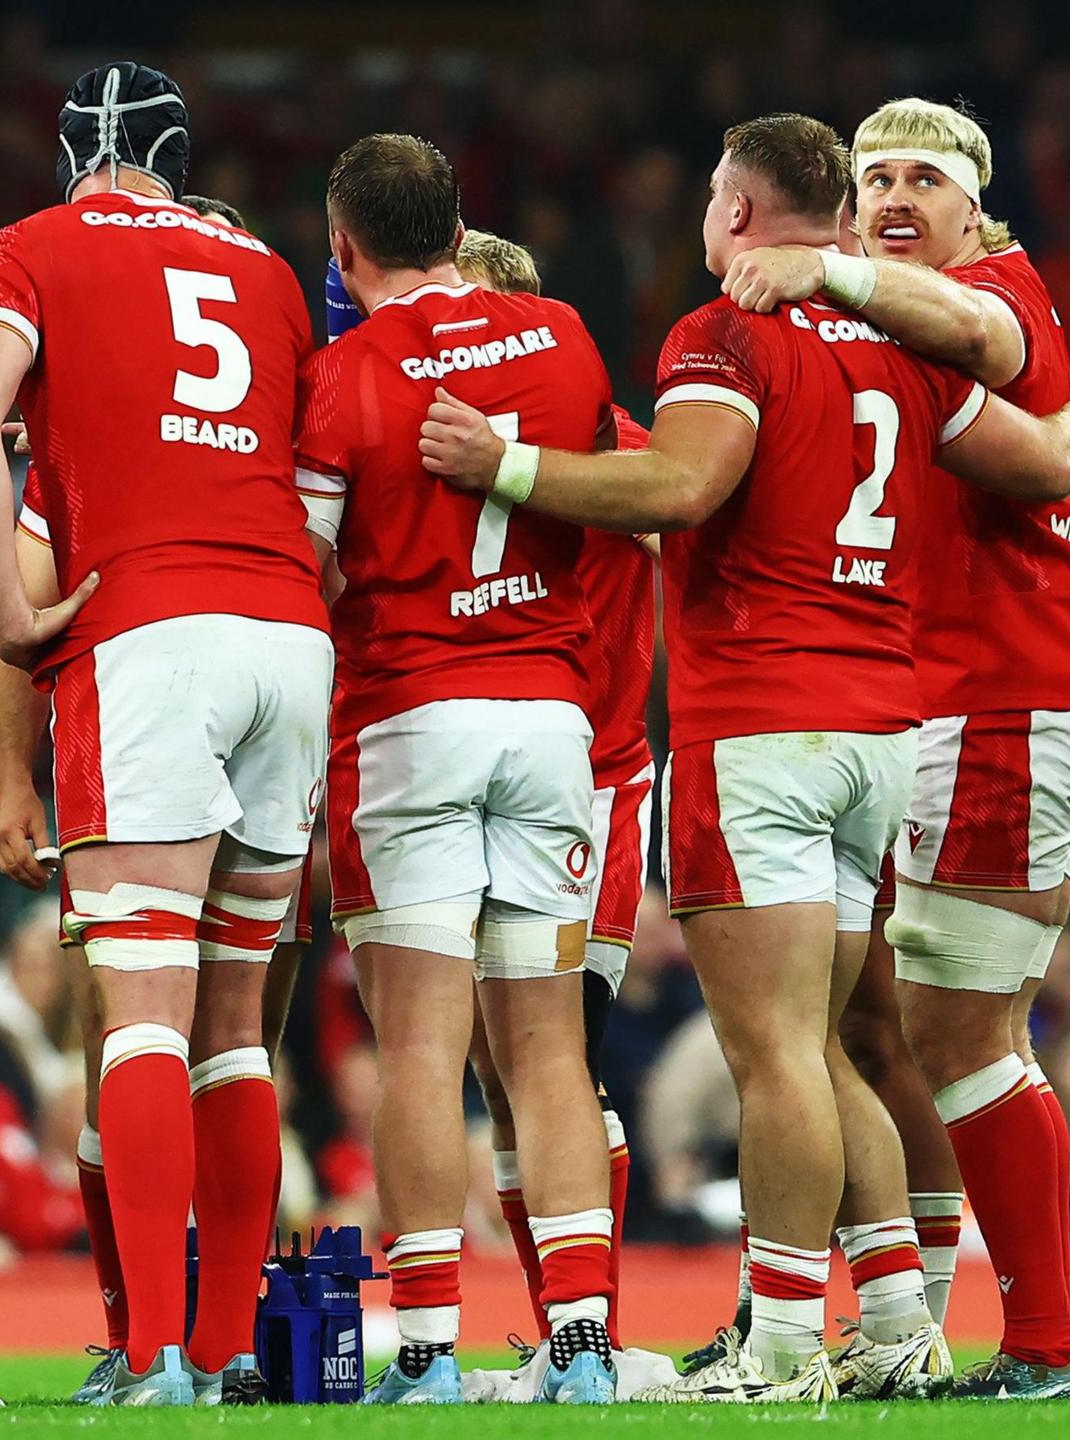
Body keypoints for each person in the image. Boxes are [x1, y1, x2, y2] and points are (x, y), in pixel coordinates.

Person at [419, 112, 1070, 1403]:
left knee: (780, 1052)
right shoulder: (904, 349)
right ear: (842, 207)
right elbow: (1039, 458)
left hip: (762, 730)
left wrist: (502, 464)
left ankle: (784, 1344)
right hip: (881, 732)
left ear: (734, 212)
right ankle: (898, 1320)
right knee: (837, 1042)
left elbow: (684, 488)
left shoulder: (721, 332)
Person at [717, 96, 1070, 1402]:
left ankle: (1048, 1344)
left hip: (1005, 695)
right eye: (873, 178)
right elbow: (1049, 434)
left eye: (924, 182)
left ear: (974, 211)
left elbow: (991, 340)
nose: (895, 197)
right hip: (925, 707)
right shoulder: (879, 326)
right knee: (901, 1024)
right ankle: (920, 1323)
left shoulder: (995, 285)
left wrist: (831, 267)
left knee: (963, 1029)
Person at [0, 62, 328, 1406]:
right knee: (236, 1028)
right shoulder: (268, 270)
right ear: (177, 154)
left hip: (144, 631)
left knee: (146, 1019)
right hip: (287, 633)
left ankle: (156, 1353)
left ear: (68, 158)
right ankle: (227, 1351)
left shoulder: (28, 251)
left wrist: (6, 610)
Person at [300, 137, 619, 1405]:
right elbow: (601, 491)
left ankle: (427, 1352)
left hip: (409, 719)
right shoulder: (561, 338)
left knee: (423, 1047)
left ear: (342, 246)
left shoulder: (343, 373)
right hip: (549, 720)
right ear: (457, 222)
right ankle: (582, 1349)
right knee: (547, 1051)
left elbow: (307, 570)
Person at [435, 230, 651, 1374]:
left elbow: (680, 502)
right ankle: (562, 1333)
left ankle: (591, 1336)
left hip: (600, 775)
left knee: (558, 1056)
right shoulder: (431, 442)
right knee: (500, 1072)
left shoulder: (608, 436)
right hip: (486, 771)